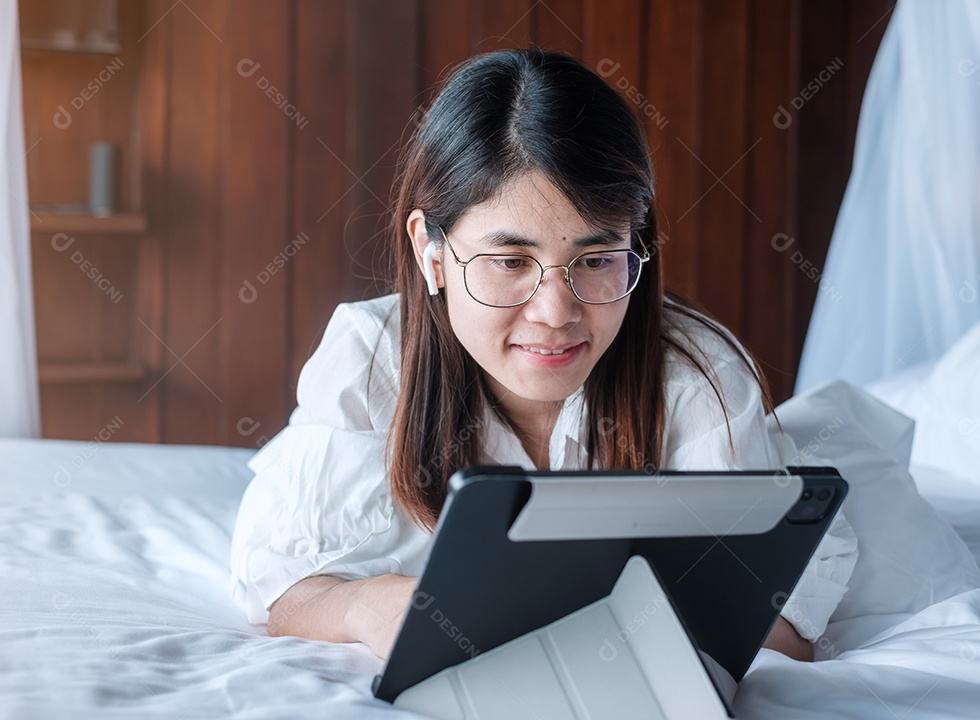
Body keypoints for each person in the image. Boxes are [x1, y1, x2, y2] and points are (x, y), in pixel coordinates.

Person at [230, 48, 857, 663]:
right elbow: (283, 590)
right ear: (432, 251)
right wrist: (372, 605)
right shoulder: (371, 358)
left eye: (595, 259)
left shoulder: (699, 380)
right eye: (509, 262)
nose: (556, 313)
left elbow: (787, 629)